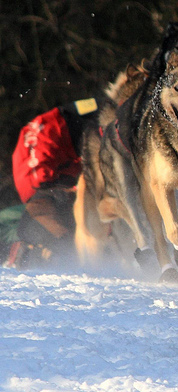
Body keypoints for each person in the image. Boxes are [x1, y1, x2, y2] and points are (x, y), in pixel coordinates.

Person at [8, 98, 102, 270]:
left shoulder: (50, 124)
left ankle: (39, 249)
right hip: (43, 186)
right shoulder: (60, 122)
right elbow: (96, 105)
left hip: (32, 187)